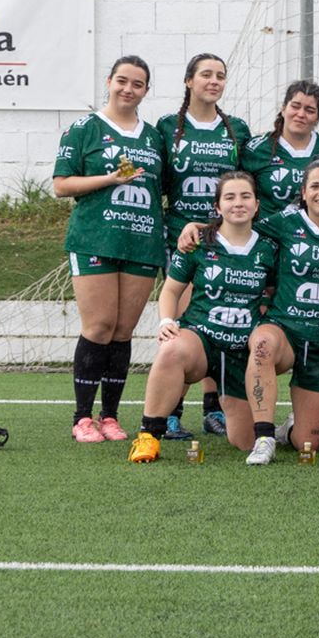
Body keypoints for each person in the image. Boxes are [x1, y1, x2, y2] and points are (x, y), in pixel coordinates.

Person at [173, 161, 319, 463]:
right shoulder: (285, 222)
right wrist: (195, 227)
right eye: (315, 186)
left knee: (308, 442)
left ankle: (289, 429)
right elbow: (235, 225)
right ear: (303, 192)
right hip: (283, 331)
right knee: (262, 344)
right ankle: (265, 437)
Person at [129, 172, 277, 463]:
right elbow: (170, 291)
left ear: (257, 205)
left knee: (245, 441)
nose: (238, 203)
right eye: (230, 197)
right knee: (172, 350)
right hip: (202, 336)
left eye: (245, 196)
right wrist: (166, 322)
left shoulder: (269, 248)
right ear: (218, 207)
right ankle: (149, 435)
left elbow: (274, 292)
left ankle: (238, 409)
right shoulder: (198, 242)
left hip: (240, 350)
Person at [54, 55, 165, 444]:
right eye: (122, 80)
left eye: (137, 84)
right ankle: (82, 417)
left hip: (142, 240)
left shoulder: (154, 136)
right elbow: (62, 185)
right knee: (98, 327)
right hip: (95, 239)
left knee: (122, 330)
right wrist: (109, 178)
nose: (128, 89)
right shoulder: (84, 128)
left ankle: (111, 416)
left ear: (146, 91)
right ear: (109, 81)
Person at [157, 53, 252, 439]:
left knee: (220, 319)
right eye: (206, 75)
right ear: (189, 81)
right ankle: (169, 414)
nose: (214, 81)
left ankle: (215, 411)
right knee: (182, 325)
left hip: (224, 238)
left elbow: (244, 186)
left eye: (220, 76)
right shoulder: (167, 127)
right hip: (183, 237)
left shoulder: (237, 129)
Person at [239, 80, 319, 219]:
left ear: (317, 118)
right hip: (269, 235)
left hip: (316, 237)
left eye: (309, 110)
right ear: (283, 109)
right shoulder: (257, 149)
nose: (301, 114)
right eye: (295, 106)